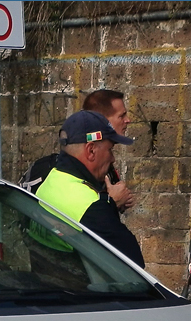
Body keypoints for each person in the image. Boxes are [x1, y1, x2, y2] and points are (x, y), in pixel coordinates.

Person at [35, 109, 144, 267]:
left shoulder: (51, 179)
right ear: (91, 150)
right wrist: (110, 205)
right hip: (81, 289)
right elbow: (134, 264)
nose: (112, 158)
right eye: (110, 149)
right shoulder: (93, 207)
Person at [83, 89, 134, 212]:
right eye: (122, 116)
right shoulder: (90, 162)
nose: (128, 120)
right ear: (102, 120)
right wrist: (113, 202)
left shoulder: (104, 161)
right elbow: (84, 219)